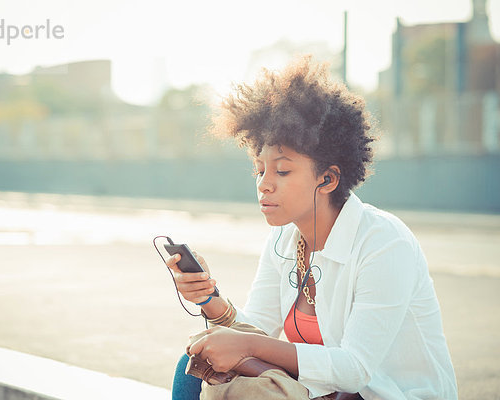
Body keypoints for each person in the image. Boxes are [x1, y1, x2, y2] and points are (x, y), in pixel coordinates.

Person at [166, 56, 457, 400]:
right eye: (260, 169)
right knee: (196, 359)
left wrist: (245, 343)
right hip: (328, 393)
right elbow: (257, 327)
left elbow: (354, 369)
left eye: (282, 171)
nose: (264, 184)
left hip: (385, 394)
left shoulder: (383, 242)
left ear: (328, 178)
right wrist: (208, 298)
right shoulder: (284, 238)